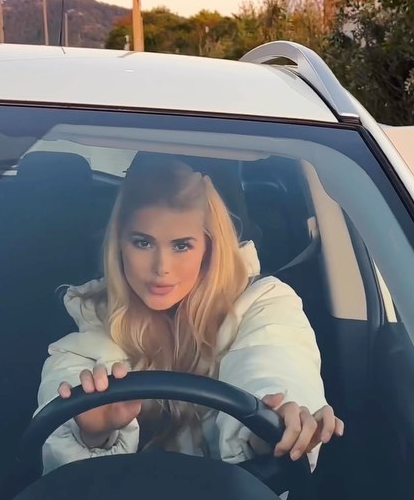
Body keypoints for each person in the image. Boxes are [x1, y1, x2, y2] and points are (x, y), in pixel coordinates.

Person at [36, 153, 343, 475]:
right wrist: (91, 434)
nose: (161, 268)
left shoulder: (264, 302)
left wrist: (274, 421)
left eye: (181, 246)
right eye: (143, 243)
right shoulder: (88, 313)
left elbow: (273, 361)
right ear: (119, 243)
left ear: (210, 247)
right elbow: (63, 395)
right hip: (115, 499)